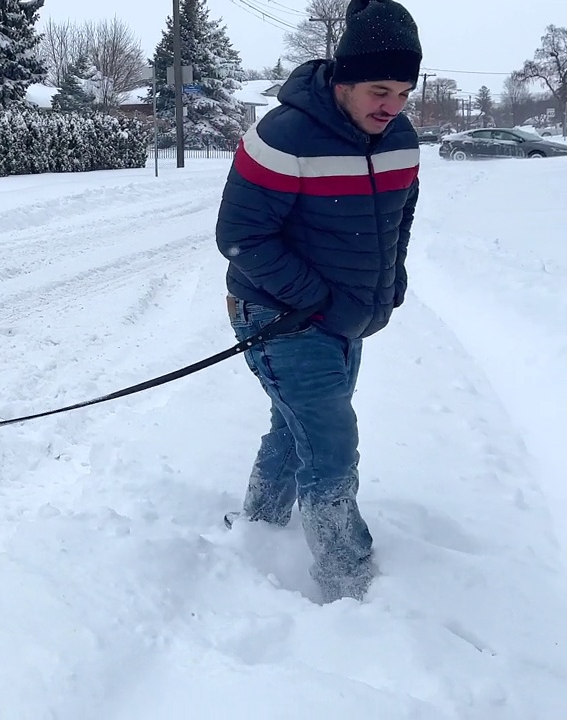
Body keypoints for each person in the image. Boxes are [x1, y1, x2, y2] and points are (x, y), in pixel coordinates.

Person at [214, 0, 422, 603]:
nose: (392, 106)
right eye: (380, 89)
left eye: (404, 93)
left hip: (345, 317)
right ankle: (349, 579)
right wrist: (321, 301)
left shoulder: (400, 137)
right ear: (342, 77)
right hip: (281, 316)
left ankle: (258, 527)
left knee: (297, 424)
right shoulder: (283, 135)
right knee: (330, 443)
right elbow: (241, 236)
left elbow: (399, 215)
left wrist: (391, 278)